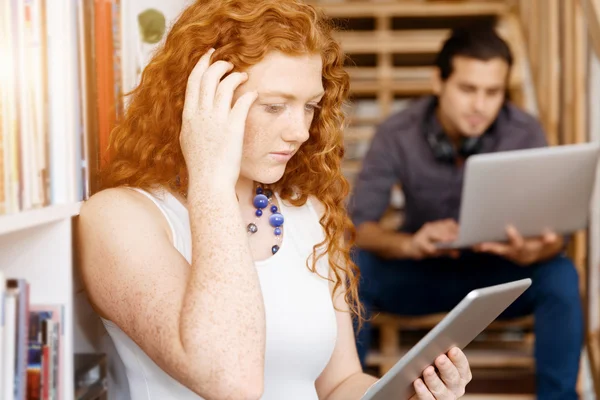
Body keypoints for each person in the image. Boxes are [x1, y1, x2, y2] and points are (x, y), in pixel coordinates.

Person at [76, 1, 473, 399]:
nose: (300, 131)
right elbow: (230, 381)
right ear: (198, 100)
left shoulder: (309, 213)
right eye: (274, 106)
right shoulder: (119, 218)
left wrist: (411, 393)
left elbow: (339, 384)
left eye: (310, 106)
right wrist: (213, 179)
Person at [349, 26, 583, 400]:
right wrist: (410, 244)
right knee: (352, 268)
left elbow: (554, 235)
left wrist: (534, 251)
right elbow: (359, 226)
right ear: (438, 82)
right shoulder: (397, 132)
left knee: (560, 275)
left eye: (493, 93)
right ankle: (351, 391)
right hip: (421, 273)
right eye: (468, 89)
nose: (480, 106)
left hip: (495, 279)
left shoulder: (523, 131)